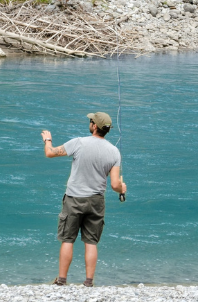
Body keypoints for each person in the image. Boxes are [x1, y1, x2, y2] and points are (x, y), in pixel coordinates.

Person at [41, 112, 127, 288]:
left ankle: (62, 280)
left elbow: (50, 153)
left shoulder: (78, 142)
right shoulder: (114, 151)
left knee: (67, 239)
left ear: (95, 126)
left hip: (74, 199)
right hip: (96, 201)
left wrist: (47, 140)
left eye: (91, 121)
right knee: (91, 242)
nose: (90, 122)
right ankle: (88, 282)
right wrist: (122, 188)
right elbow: (115, 185)